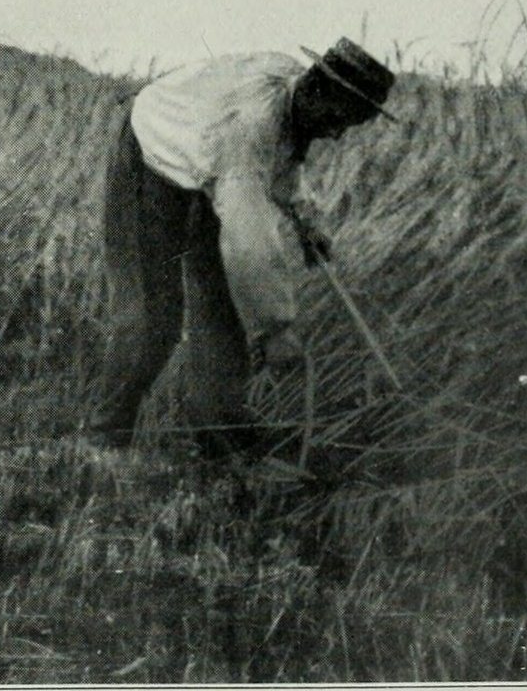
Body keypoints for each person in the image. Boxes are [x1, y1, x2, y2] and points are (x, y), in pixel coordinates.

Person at [87, 37, 396, 451]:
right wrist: (275, 329)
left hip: (207, 153)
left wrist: (305, 217)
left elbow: (283, 154)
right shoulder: (248, 128)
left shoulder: (292, 91)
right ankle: (105, 437)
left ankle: (220, 434)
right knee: (152, 316)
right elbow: (249, 244)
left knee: (224, 306)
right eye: (340, 120)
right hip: (153, 145)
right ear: (317, 90)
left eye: (350, 126)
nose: (338, 135)